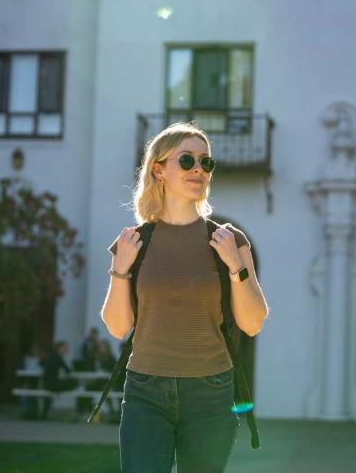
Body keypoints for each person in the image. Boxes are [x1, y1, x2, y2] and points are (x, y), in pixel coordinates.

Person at [101, 121, 269, 472]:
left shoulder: (229, 240)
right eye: (187, 160)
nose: (199, 170)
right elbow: (118, 328)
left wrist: (235, 265)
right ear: (159, 169)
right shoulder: (133, 243)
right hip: (146, 392)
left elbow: (252, 323)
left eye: (206, 162)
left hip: (211, 393)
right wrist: (121, 270)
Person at [41, 340, 78, 418]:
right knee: (75, 382)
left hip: (46, 384)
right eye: (65, 348)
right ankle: (77, 410)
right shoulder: (58, 357)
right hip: (52, 385)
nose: (66, 350)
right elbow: (68, 370)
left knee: (68, 383)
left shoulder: (51, 355)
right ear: (60, 348)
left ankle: (44, 413)